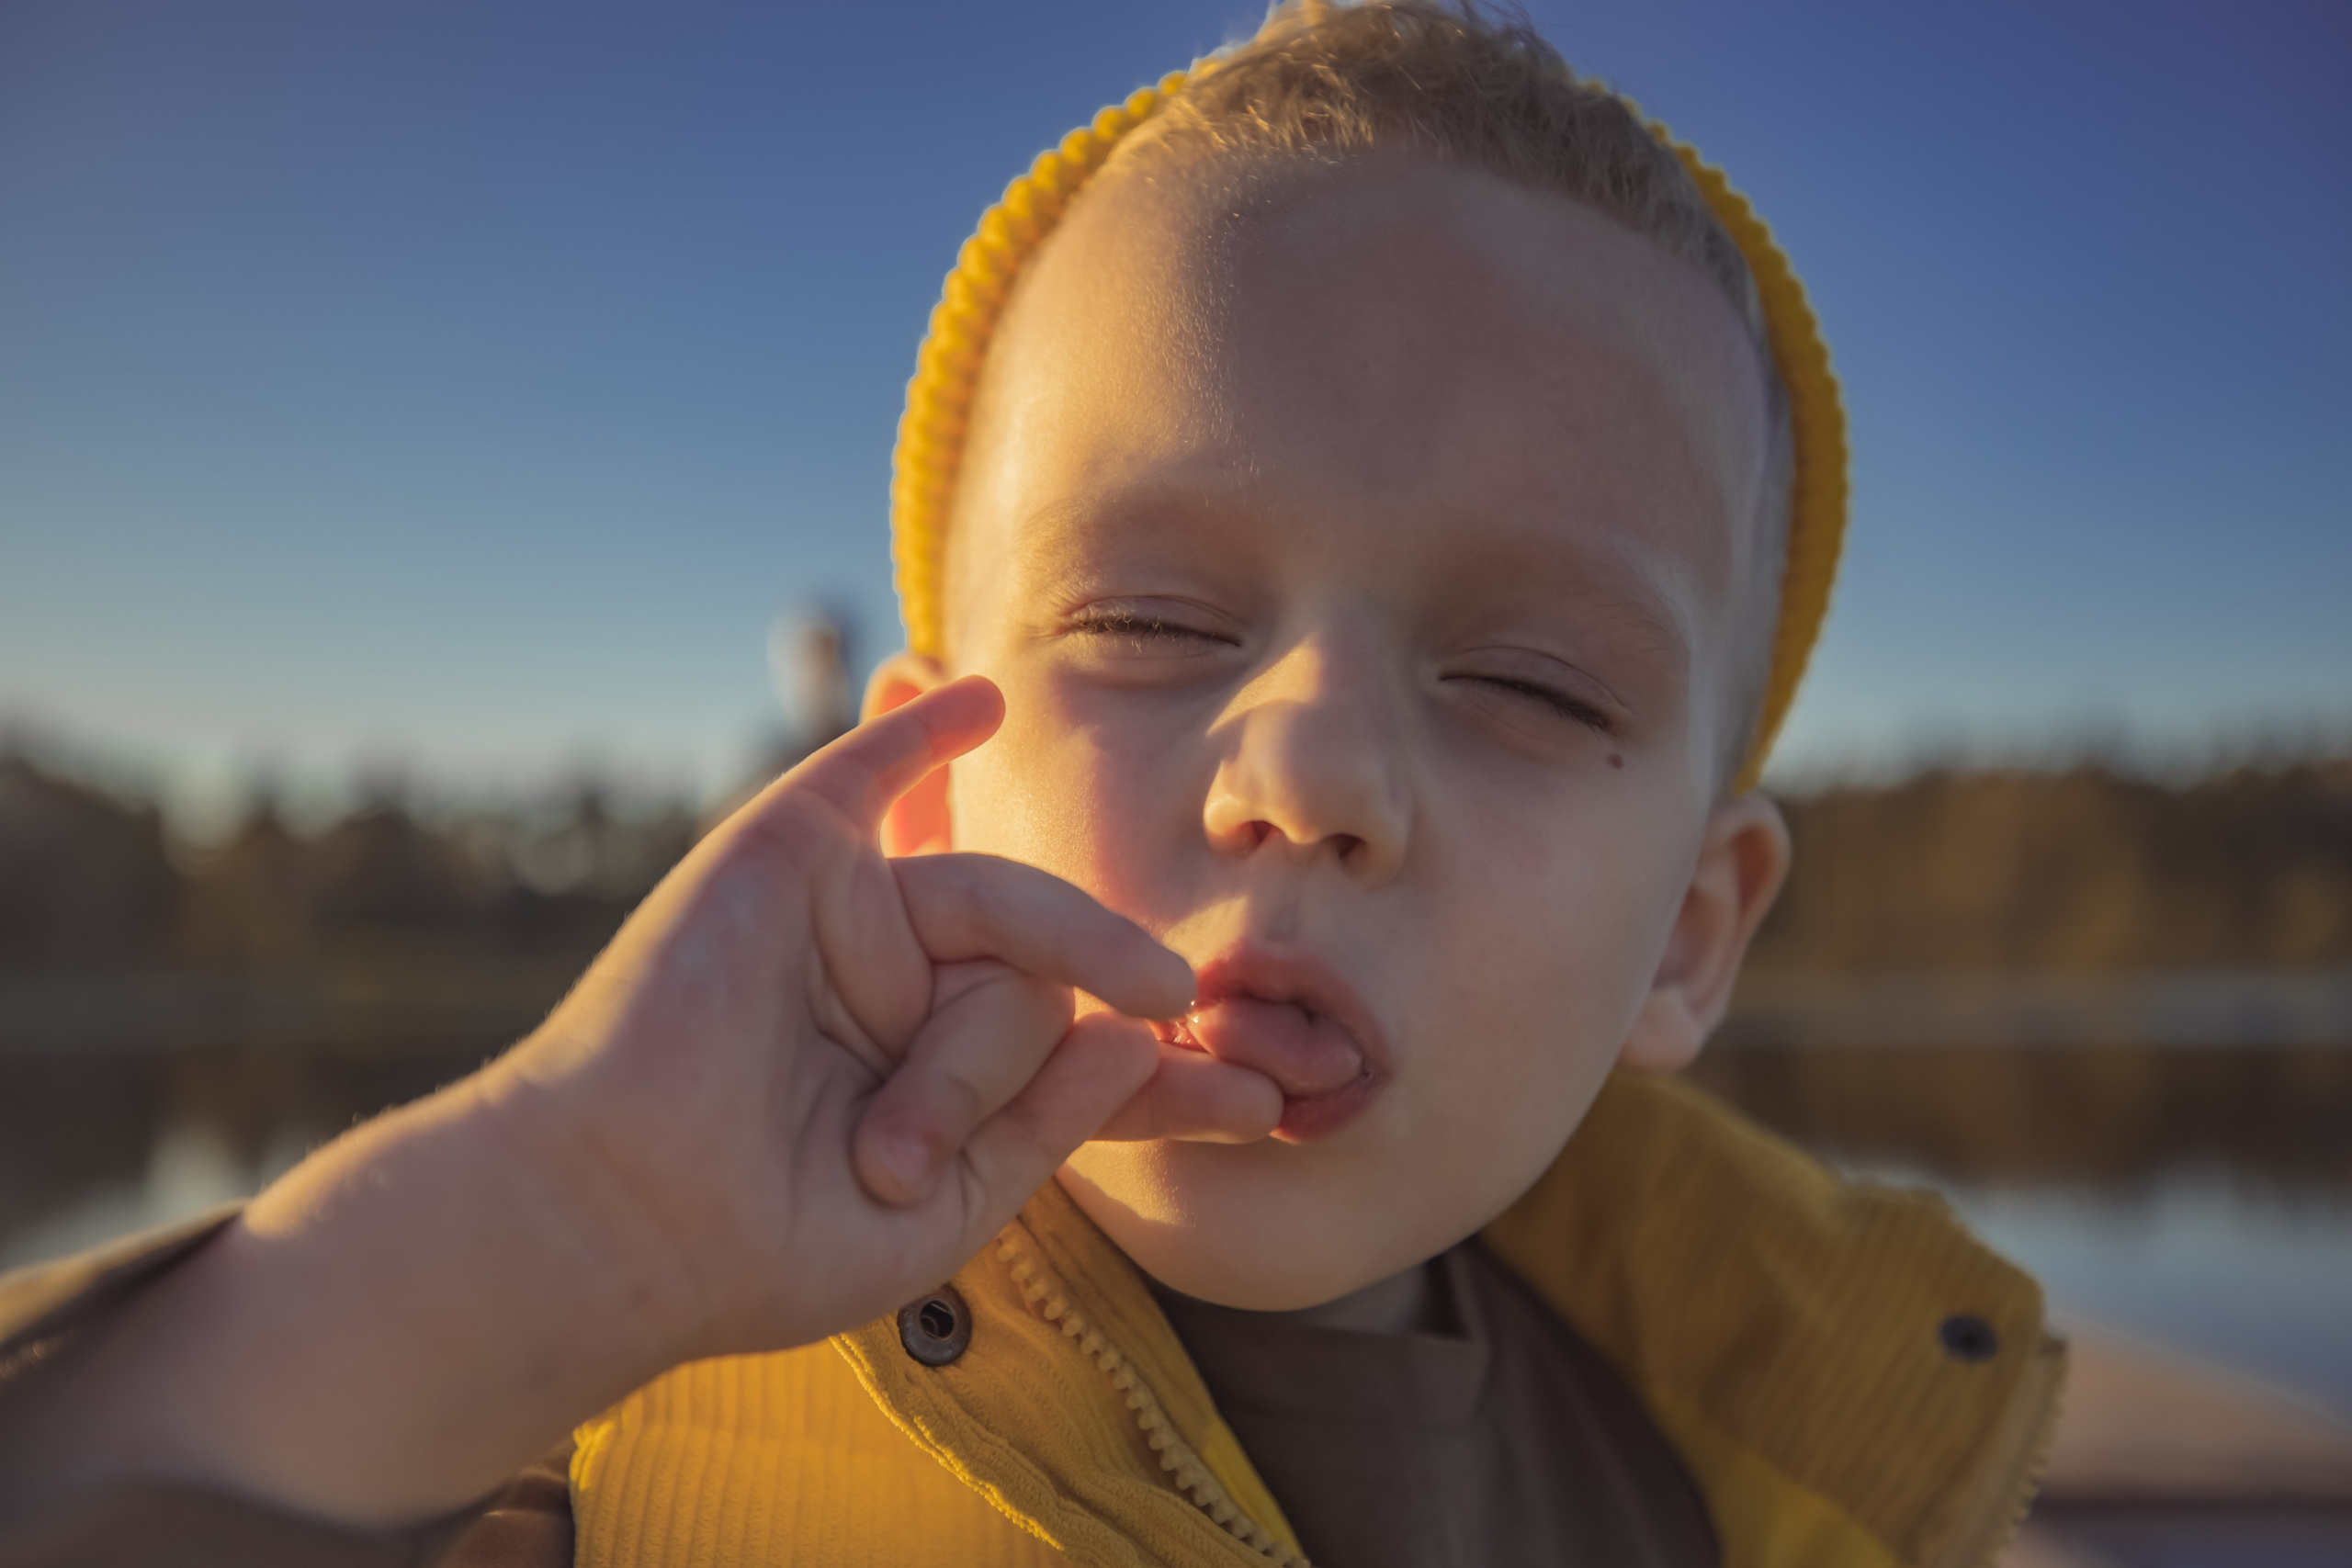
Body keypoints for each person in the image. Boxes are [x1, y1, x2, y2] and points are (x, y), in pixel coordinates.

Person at [0, 5, 2064, 1563]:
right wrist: (565, 1224)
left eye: (1526, 677)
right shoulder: (588, 1464)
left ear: (1684, 938)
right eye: (1154, 623)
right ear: (914, 795)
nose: (1310, 771)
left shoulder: (1799, 1466)